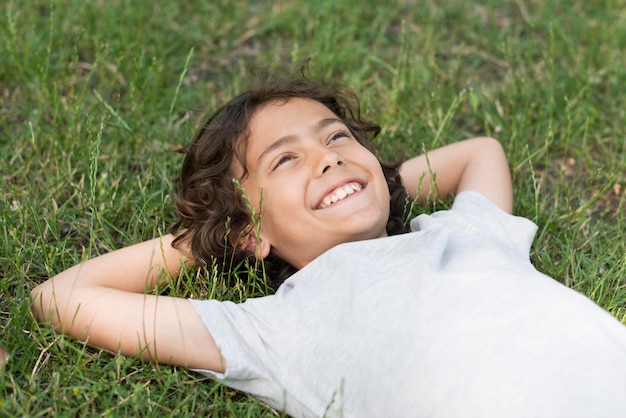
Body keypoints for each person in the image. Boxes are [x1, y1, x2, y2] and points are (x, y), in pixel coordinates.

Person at [31, 71, 626, 417]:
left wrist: (378, 184)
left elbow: (481, 151)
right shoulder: (273, 329)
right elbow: (64, 296)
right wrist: (221, 232)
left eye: (336, 137)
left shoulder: (462, 235)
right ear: (252, 230)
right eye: (286, 158)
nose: (328, 155)